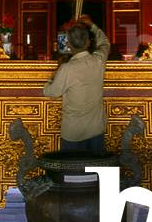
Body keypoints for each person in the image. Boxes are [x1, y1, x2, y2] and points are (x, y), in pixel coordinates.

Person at [42, 15, 110, 153]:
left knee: (72, 172)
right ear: (88, 43)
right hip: (96, 129)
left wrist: (54, 74)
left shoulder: (67, 68)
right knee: (98, 170)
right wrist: (92, 25)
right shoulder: (98, 61)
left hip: (73, 132)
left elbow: (50, 92)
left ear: (68, 44)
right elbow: (105, 43)